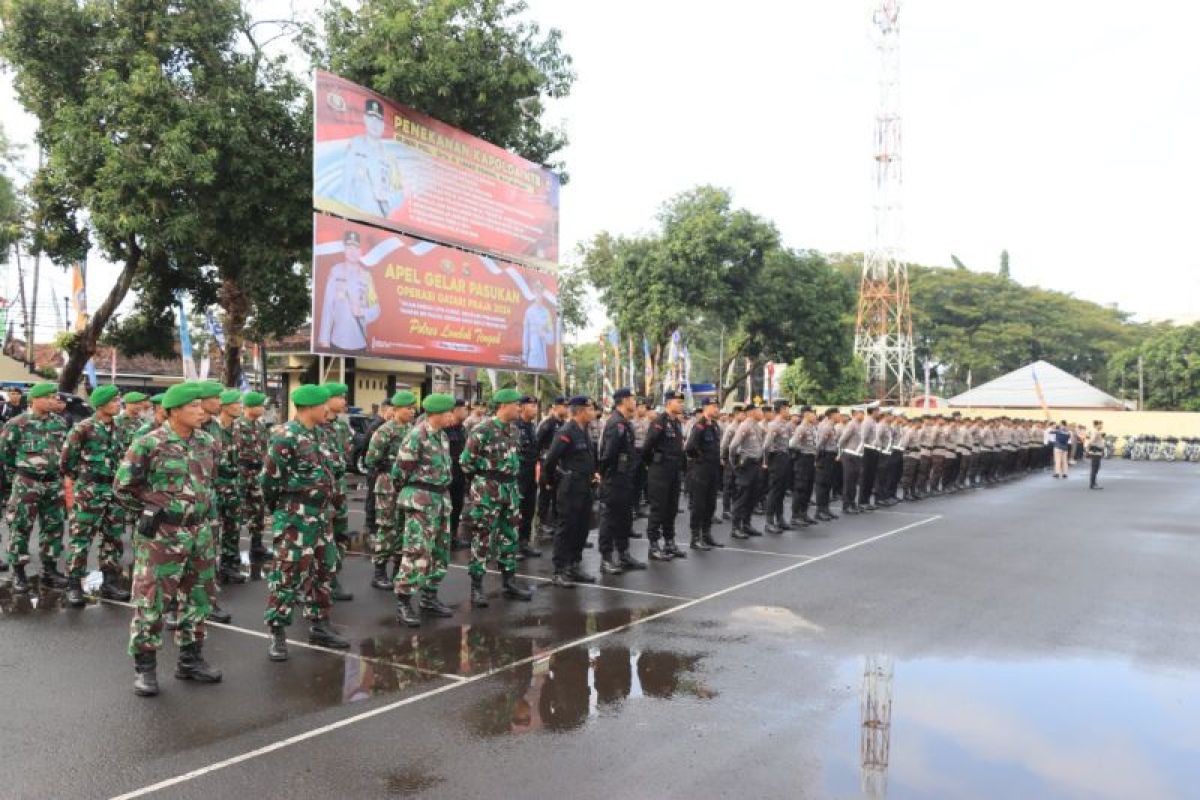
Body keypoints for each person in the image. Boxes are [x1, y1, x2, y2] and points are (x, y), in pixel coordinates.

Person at [115, 382, 222, 697]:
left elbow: (208, 483)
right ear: (175, 410)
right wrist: (151, 512)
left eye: (202, 406)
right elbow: (123, 487)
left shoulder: (208, 442)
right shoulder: (149, 443)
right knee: (152, 599)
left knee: (199, 597)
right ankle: (145, 668)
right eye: (194, 406)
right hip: (163, 535)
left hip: (199, 531)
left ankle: (190, 659)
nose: (201, 411)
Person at [262, 383, 350, 661]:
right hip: (295, 516)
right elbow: (270, 481)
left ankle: (319, 624)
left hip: (322, 516)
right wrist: (282, 511)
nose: (329, 409)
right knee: (288, 574)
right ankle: (277, 632)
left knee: (324, 570)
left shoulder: (323, 435)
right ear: (311, 407)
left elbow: (335, 471)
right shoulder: (284, 436)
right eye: (325, 405)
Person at [461, 388, 534, 607]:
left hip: (510, 488)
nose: (519, 408)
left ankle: (509, 581)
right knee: (483, 536)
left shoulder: (514, 430)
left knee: (509, 535)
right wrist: (483, 482)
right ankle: (476, 587)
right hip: (487, 490)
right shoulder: (482, 429)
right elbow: (466, 462)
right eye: (516, 405)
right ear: (503, 406)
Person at [60, 384, 130, 606]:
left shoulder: (120, 428)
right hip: (90, 491)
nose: (118, 404)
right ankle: (73, 584)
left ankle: (109, 581)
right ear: (100, 405)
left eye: (119, 400)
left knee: (113, 538)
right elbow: (66, 460)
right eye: (114, 401)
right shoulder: (83, 428)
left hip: (114, 491)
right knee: (81, 538)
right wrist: (83, 480)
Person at [392, 393, 457, 627]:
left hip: (440, 499)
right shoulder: (416, 436)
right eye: (449, 412)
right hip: (420, 500)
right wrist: (414, 493)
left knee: (439, 551)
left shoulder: (442, 436)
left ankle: (429, 597)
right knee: (416, 551)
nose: (453, 416)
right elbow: (399, 473)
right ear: (437, 414)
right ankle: (403, 601)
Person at [1, 381, 70, 592]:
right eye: (48, 397)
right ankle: (19, 572)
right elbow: (6, 454)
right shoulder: (17, 423)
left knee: (54, 527)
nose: (53, 401)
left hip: (53, 483)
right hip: (27, 483)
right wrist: (19, 478)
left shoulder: (59, 423)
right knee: (20, 527)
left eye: (54, 397)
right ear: (34, 400)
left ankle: (49, 570)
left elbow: (63, 452)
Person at [364, 391, 417, 590]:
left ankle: (397, 569)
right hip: (387, 484)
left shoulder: (413, 430)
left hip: (407, 484)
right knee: (386, 528)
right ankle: (379, 572)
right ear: (395, 410)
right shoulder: (385, 431)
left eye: (413, 408)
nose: (412, 412)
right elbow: (371, 459)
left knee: (403, 527)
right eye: (408, 408)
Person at [543, 396, 598, 586]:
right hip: (570, 486)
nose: (593, 412)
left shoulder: (585, 430)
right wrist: (550, 482)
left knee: (582, 527)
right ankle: (559, 570)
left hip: (585, 485)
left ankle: (574, 565)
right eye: (590, 409)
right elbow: (550, 460)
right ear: (581, 411)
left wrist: (593, 474)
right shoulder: (566, 431)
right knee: (566, 527)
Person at [597, 388, 647, 572]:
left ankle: (623, 553)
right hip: (614, 479)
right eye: (633, 399)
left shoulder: (625, 423)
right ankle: (606, 558)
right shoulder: (615, 424)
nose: (635, 402)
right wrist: (605, 475)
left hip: (625, 478)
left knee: (625, 518)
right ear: (624, 400)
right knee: (609, 519)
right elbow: (608, 454)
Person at [317, 382, 354, 601]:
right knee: (321, 537)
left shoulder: (341, 427)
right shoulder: (314, 426)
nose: (344, 401)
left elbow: (346, 454)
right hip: (321, 491)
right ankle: (316, 580)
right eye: (340, 397)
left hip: (339, 489)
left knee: (340, 535)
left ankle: (333, 576)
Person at [641, 390, 687, 560]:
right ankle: (654, 545)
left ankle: (669, 542)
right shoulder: (659, 421)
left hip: (674, 471)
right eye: (678, 402)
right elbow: (647, 447)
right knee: (658, 509)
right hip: (660, 471)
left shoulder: (676, 423)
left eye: (682, 402)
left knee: (671, 508)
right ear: (668, 403)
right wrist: (652, 464)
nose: (681, 404)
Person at [338, 97, 403, 216]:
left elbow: (399, 194)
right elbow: (345, 183)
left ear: (383, 125)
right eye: (371, 118)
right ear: (365, 119)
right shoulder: (355, 144)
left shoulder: (390, 158)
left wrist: (385, 198)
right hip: (355, 215)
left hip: (379, 221)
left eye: (378, 120)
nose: (375, 124)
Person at [316, 229, 380, 352]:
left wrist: (361, 311)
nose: (352, 251)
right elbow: (328, 306)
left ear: (360, 251)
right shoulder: (335, 271)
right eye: (349, 247)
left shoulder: (367, 276)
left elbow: (376, 309)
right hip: (337, 341)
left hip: (359, 343)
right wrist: (324, 339)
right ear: (344, 250)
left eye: (355, 248)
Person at [214, 389, 247, 584]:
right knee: (212, 530)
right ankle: (209, 569)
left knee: (233, 526)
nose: (239, 407)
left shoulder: (237, 428)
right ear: (224, 406)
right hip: (217, 485)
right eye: (236, 403)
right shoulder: (212, 428)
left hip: (234, 485)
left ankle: (228, 564)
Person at [234, 391, 271, 561]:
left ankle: (257, 545)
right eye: (260, 405)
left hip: (257, 474)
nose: (263, 408)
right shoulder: (237, 426)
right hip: (241, 473)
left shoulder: (261, 426)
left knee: (258, 510)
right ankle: (231, 551)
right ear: (249, 407)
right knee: (236, 512)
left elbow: (265, 449)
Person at [685, 397, 724, 550]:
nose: (716, 409)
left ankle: (706, 534)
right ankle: (695, 537)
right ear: (705, 407)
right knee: (699, 505)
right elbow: (690, 448)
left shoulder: (714, 426)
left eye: (717, 406)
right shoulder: (699, 426)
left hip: (713, 470)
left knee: (710, 504)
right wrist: (701, 459)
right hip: (701, 471)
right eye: (714, 406)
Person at [729, 402, 767, 538]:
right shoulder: (745, 425)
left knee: (753, 496)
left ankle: (746, 524)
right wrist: (734, 463)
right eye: (759, 410)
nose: (761, 413)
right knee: (742, 496)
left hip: (756, 465)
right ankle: (735, 527)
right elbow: (733, 446)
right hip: (747, 465)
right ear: (751, 412)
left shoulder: (757, 426)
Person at [535, 397, 568, 542]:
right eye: (563, 406)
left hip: (560, 464)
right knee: (545, 494)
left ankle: (555, 521)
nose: (566, 409)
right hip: (547, 463)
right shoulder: (547, 424)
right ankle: (541, 523)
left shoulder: (564, 424)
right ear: (555, 407)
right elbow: (538, 444)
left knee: (557, 495)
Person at [361, 399, 392, 556]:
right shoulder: (377, 426)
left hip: (386, 473)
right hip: (376, 470)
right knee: (372, 500)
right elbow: (365, 446)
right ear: (386, 410)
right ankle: (371, 530)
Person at [515, 396, 542, 559]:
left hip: (531, 472)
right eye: (532, 406)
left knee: (529, 509)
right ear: (522, 407)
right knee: (516, 511)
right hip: (519, 473)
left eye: (535, 406)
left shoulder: (532, 426)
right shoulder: (515, 426)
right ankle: (513, 545)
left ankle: (524, 542)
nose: (535, 409)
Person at [762, 400, 794, 533]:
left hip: (785, 457)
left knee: (781, 491)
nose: (788, 411)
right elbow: (766, 445)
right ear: (781, 409)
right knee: (774, 491)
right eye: (787, 409)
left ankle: (780, 518)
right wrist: (765, 462)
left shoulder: (785, 425)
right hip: (776, 458)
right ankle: (769, 522)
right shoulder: (774, 425)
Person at [445, 399, 469, 550]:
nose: (466, 412)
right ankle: (443, 537)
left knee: (457, 506)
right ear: (454, 411)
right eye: (463, 409)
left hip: (460, 474)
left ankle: (453, 537)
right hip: (446, 474)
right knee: (445, 508)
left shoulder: (462, 429)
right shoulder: (444, 429)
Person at [788, 406, 819, 526]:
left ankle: (804, 513)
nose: (815, 416)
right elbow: (792, 444)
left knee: (808, 487)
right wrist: (804, 450)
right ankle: (795, 516)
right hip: (803, 459)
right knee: (800, 488)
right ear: (806, 414)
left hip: (810, 459)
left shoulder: (812, 427)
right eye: (813, 414)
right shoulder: (801, 428)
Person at [521, 279, 555, 370]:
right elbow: (525, 335)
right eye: (536, 290)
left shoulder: (546, 313)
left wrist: (543, 334)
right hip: (532, 357)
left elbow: (551, 339)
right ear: (533, 292)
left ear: (543, 292)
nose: (538, 293)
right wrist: (525, 356)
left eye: (540, 290)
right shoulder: (529, 312)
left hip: (543, 360)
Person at [813, 409, 840, 521]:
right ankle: (820, 511)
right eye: (838, 414)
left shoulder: (831, 426)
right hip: (825, 457)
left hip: (830, 456)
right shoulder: (826, 427)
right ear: (832, 415)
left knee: (828, 483)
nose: (840, 416)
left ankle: (825, 508)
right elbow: (819, 444)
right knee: (822, 484)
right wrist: (817, 459)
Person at [838, 407, 866, 514]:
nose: (863, 415)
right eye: (861, 413)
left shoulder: (861, 425)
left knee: (854, 481)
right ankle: (846, 505)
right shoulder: (851, 424)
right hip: (850, 455)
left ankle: (852, 503)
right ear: (855, 414)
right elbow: (842, 440)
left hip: (858, 455)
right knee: (849, 481)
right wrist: (844, 452)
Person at [1087, 421, 1105, 489]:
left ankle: (1094, 483)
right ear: (1097, 425)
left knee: (1096, 467)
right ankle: (1092, 484)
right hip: (1095, 451)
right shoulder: (1095, 431)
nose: (1102, 426)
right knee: (1095, 468)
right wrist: (1087, 447)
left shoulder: (1096, 431)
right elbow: (1092, 440)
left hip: (1097, 451)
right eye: (1101, 425)